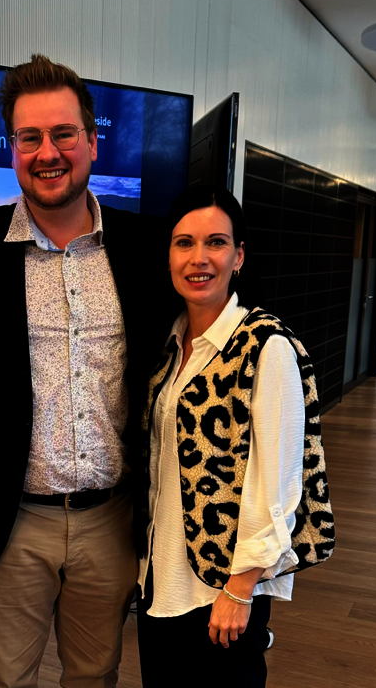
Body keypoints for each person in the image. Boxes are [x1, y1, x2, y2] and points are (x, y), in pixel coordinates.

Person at [0, 54, 172, 687]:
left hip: (112, 519)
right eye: (29, 137)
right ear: (12, 148)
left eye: (63, 134)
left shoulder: (148, 249)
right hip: (11, 524)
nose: (47, 152)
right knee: (4, 681)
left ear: (92, 141)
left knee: (97, 676)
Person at [136, 185, 334, 688]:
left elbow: (279, 484)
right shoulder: (170, 343)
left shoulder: (266, 347)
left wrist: (241, 589)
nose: (198, 258)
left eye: (216, 243)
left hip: (220, 592)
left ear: (239, 256)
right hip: (161, 581)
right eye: (184, 243)